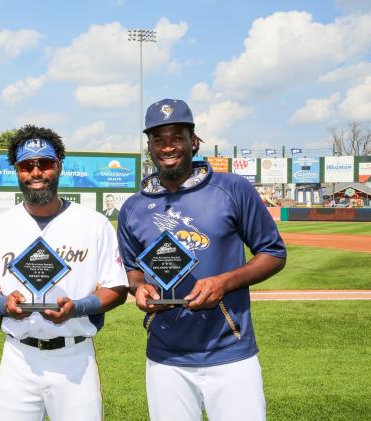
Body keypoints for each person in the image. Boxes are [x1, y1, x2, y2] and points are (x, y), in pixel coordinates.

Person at [117, 99, 286, 421]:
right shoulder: (133, 207)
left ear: (193, 142)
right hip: (166, 356)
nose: (168, 147)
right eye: (158, 139)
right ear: (150, 147)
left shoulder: (232, 188)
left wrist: (224, 282)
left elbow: (273, 253)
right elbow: (131, 269)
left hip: (230, 352)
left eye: (176, 137)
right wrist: (137, 288)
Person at [0, 125, 128, 421]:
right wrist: (4, 305)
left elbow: (117, 288)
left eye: (45, 163)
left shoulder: (93, 224)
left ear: (58, 165)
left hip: (74, 357)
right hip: (18, 357)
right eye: (27, 165)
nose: (36, 173)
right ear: (17, 171)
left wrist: (77, 308)